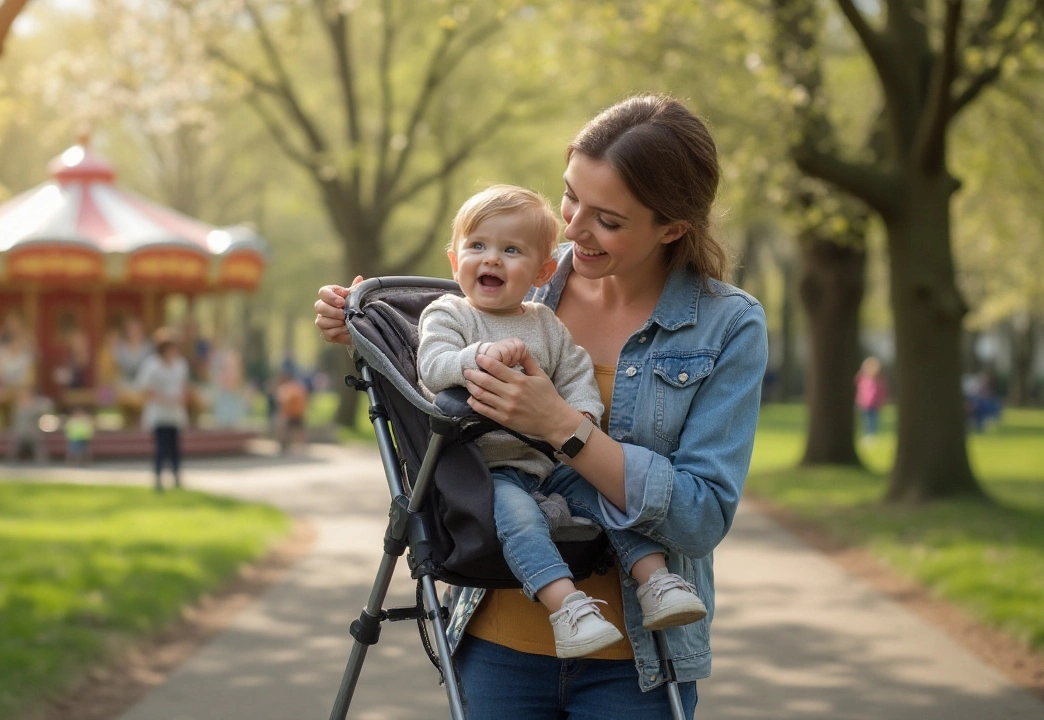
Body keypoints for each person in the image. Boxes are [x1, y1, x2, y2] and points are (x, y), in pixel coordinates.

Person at [315, 94, 768, 718]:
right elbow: (438, 338)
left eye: (607, 219)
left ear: (672, 228)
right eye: (570, 196)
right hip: (494, 642)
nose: (576, 227)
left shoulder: (725, 325)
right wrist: (361, 324)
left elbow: (700, 515)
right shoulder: (523, 283)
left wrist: (559, 424)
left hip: (633, 670)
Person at [417, 184, 706, 659]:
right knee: (519, 519)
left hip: (550, 464)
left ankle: (655, 580)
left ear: (541, 271)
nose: (491, 259)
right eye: (477, 246)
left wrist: (583, 415)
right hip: (489, 471)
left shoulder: (544, 324)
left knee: (610, 494)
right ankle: (567, 607)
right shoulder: (449, 314)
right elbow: (433, 366)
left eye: (511, 250)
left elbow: (574, 373)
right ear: (454, 261)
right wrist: (478, 355)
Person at [137, 328, 190, 491]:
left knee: (175, 448)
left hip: (175, 414)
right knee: (161, 447)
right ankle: (158, 479)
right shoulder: (151, 365)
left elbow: (185, 387)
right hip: (158, 413)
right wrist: (165, 399)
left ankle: (176, 477)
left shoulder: (180, 365)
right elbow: (144, 389)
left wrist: (180, 398)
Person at [273, 368, 309, 454]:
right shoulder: (298, 386)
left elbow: (281, 401)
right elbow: (304, 398)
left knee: (286, 429)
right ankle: (300, 445)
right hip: (298, 412)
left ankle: (284, 445)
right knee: (298, 429)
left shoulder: (284, 388)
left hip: (288, 412)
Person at [855, 356, 888, 441]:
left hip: (874, 404)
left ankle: (872, 434)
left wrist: (882, 401)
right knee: (866, 420)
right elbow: (859, 389)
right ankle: (867, 434)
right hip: (865, 403)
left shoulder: (879, 381)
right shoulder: (863, 379)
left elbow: (882, 392)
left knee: (873, 420)